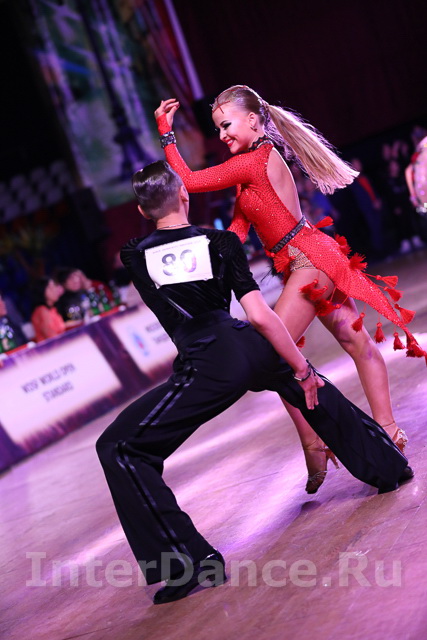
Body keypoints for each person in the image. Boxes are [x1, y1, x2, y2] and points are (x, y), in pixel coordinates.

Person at [96, 161, 412, 605]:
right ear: (184, 196)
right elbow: (261, 315)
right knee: (311, 388)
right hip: (246, 341)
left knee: (118, 447)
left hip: (208, 360)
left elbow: (163, 261)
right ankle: (390, 467)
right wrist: (301, 368)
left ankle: (190, 564)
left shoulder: (134, 254)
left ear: (142, 211)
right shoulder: (221, 242)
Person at [154, 87, 426, 493]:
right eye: (218, 129)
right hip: (311, 259)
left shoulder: (254, 160)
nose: (222, 135)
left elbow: (190, 181)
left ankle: (321, 442)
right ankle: (382, 431)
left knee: (272, 354)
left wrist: (166, 133)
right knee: (356, 344)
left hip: (309, 262)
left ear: (252, 120)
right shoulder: (249, 169)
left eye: (226, 125)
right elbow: (237, 231)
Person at [30, 277, 79, 342]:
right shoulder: (41, 310)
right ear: (42, 291)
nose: (55, 290)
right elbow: (51, 337)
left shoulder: (53, 309)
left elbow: (62, 327)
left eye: (54, 286)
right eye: (51, 288)